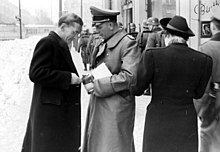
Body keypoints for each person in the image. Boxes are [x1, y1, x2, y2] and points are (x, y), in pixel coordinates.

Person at [130, 15, 213, 152]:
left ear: (167, 35)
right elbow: (198, 94)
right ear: (186, 38)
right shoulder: (204, 60)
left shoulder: (152, 55)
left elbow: (137, 89)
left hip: (158, 119)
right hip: (186, 120)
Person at [81, 6, 140, 152]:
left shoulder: (128, 43)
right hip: (102, 100)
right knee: (99, 142)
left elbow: (130, 76)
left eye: (99, 26)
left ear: (111, 25)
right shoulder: (104, 41)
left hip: (116, 104)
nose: (96, 30)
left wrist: (99, 84)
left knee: (114, 145)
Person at [21, 13, 83, 152]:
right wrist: (68, 78)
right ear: (63, 26)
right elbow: (36, 73)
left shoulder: (60, 44)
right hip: (50, 115)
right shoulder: (48, 43)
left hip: (55, 112)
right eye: (74, 32)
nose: (75, 37)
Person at [195, 11, 220, 152]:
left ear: (213, 28)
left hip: (213, 99)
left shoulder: (205, 49)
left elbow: (203, 84)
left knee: (208, 138)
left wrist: (197, 109)